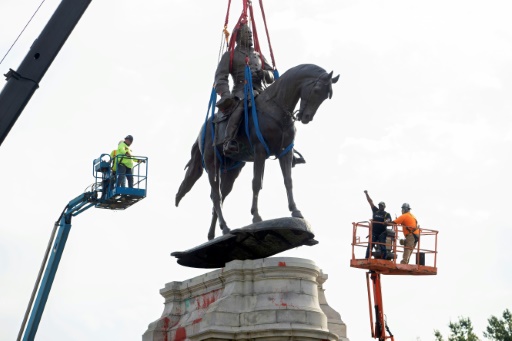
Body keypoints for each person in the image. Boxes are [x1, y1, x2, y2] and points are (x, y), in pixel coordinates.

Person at [214, 22, 275, 155]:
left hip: (261, 91)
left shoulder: (258, 56)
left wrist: (264, 73)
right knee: (241, 107)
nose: (249, 36)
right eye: (246, 34)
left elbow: (272, 76)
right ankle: (229, 140)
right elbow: (220, 77)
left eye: (250, 34)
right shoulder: (230, 55)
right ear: (237, 37)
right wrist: (225, 93)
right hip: (241, 92)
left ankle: (286, 145)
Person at [364, 190, 392, 259]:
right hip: (374, 232)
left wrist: (386, 221)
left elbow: (389, 220)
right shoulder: (375, 210)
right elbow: (370, 202)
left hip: (382, 233)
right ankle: (367, 258)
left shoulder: (386, 214)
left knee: (383, 246)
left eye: (381, 206)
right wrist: (366, 194)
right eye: (379, 205)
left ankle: (384, 259)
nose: (380, 207)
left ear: (384, 207)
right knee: (370, 245)